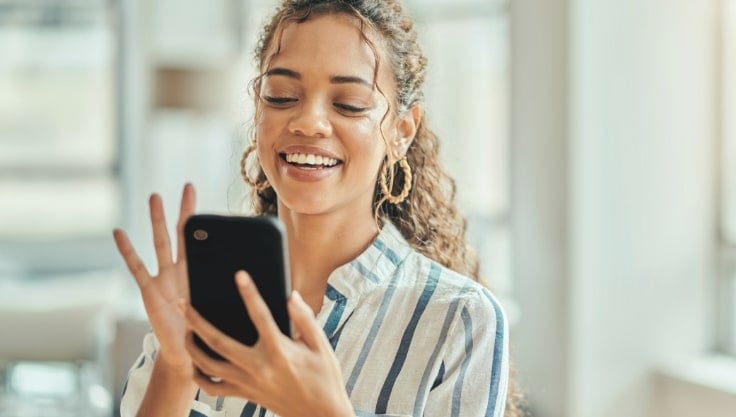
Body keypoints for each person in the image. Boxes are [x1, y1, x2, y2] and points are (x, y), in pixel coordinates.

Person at [113, 0, 520, 416]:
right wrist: (178, 366)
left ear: (401, 132)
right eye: (282, 95)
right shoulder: (205, 292)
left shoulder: (457, 320)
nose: (309, 122)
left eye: (349, 104)